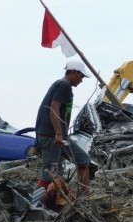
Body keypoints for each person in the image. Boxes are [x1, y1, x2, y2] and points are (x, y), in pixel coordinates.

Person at [35, 60, 92, 196]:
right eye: (81, 76)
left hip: (57, 136)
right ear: (72, 72)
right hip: (52, 136)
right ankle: (34, 205)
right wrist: (58, 134)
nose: (81, 80)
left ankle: (86, 199)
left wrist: (62, 135)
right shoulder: (63, 85)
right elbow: (53, 109)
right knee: (50, 174)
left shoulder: (63, 85)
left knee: (83, 161)